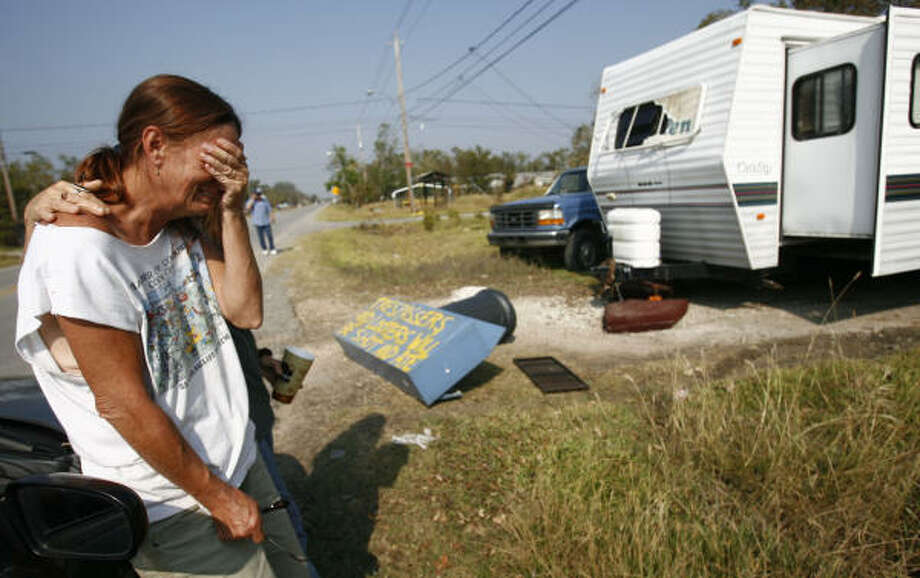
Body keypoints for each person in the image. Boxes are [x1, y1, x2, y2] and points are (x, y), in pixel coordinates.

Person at [16, 74, 310, 577]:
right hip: (176, 503)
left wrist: (231, 207)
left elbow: (245, 311)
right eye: (217, 162)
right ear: (154, 145)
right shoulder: (79, 247)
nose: (227, 175)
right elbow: (121, 403)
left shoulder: (179, 222)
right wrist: (217, 497)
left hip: (237, 462)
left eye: (236, 164)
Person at [247, 189, 276, 255]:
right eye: (257, 194)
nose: (258, 195)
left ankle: (272, 248)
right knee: (261, 237)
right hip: (257, 223)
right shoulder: (252, 202)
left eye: (259, 194)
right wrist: (252, 199)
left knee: (269, 236)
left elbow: (270, 210)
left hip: (266, 222)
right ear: (254, 194)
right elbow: (248, 208)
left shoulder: (265, 201)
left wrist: (272, 217)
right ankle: (264, 249)